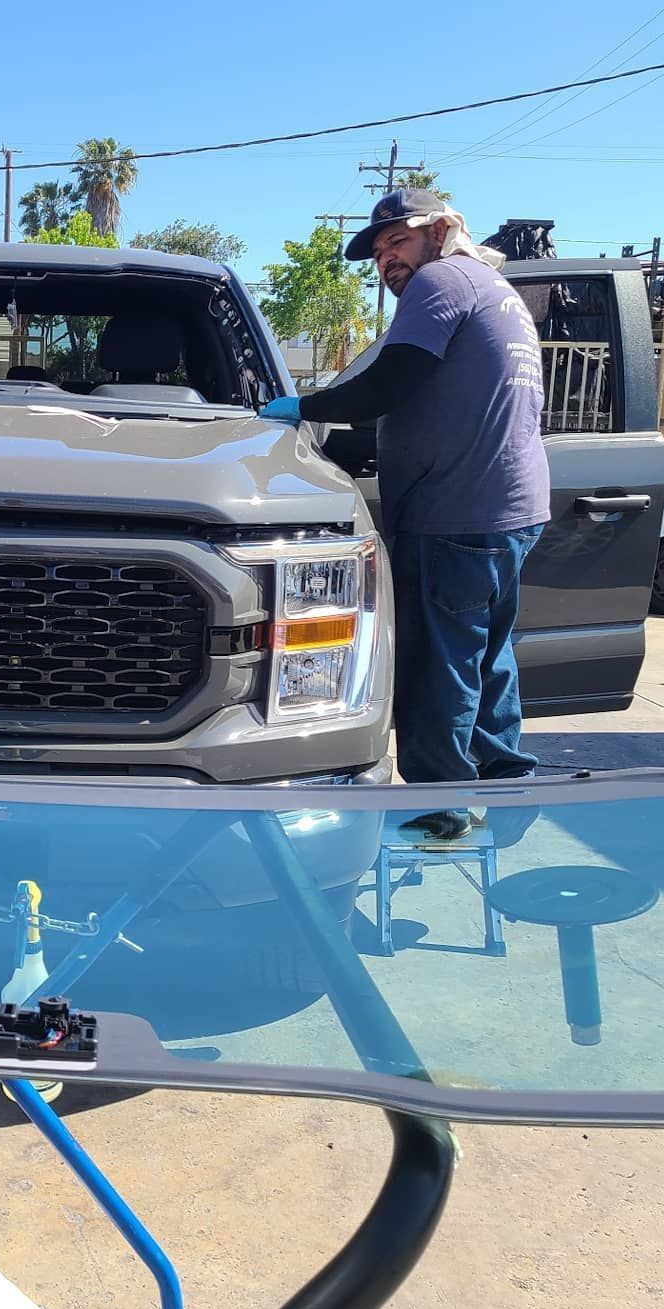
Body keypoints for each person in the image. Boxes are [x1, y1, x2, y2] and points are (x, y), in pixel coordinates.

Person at [260, 190, 550, 840]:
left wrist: (302, 407)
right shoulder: (493, 290)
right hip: (510, 510)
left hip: (455, 513)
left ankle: (436, 811)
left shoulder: (439, 280)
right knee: (486, 656)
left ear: (440, 230)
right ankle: (509, 788)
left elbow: (391, 382)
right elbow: (447, 400)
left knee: (437, 665)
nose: (388, 259)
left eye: (399, 241)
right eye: (381, 250)